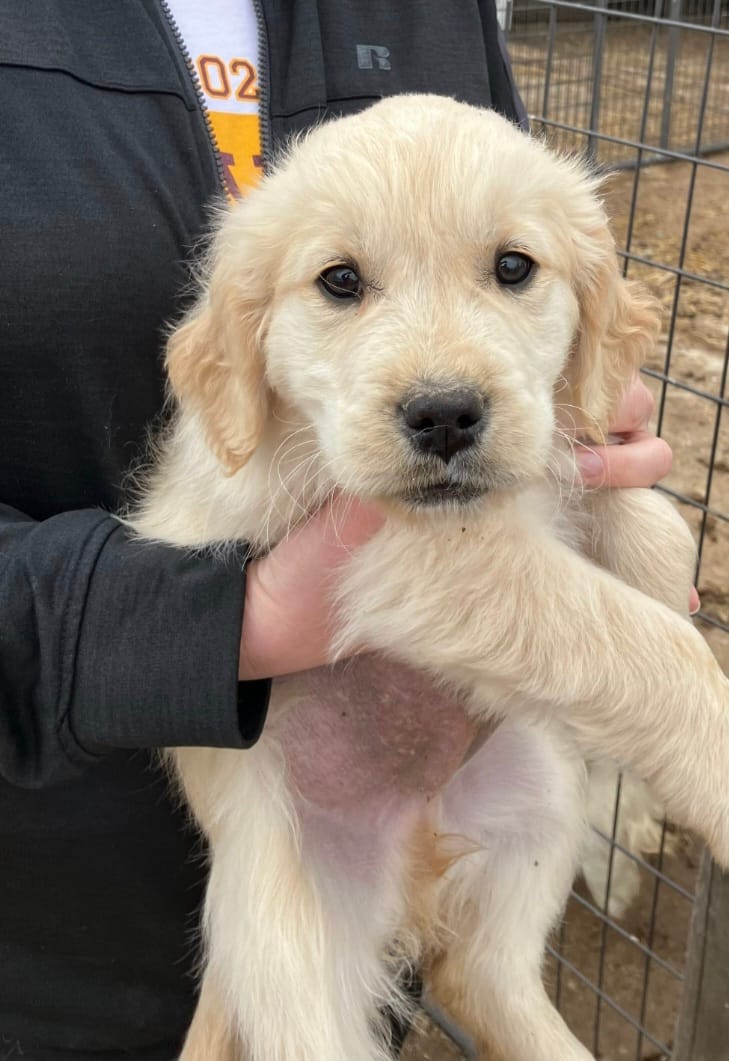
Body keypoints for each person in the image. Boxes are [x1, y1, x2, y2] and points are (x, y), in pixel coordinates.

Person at [0, 2, 680, 1057]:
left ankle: (495, 980)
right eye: (343, 282)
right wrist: (233, 617)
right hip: (61, 917)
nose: (443, 382)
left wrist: (584, 419)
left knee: (534, 795)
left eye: (508, 271)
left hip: (432, 779)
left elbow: (546, 291)